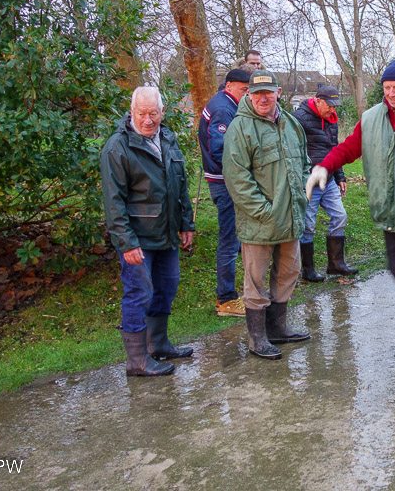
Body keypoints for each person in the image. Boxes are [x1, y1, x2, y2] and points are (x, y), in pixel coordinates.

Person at [306, 59, 395, 372]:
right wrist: (325, 166)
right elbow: (348, 148)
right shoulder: (371, 119)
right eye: (386, 88)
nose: (391, 93)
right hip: (391, 213)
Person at [100, 86, 195, 377]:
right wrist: (126, 243)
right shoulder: (117, 147)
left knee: (167, 286)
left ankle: (159, 344)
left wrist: (186, 222)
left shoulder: (167, 138)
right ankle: (137, 360)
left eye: (153, 113)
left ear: (162, 112)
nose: (148, 120)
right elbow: (113, 202)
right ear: (132, 112)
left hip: (166, 232)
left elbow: (180, 184)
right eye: (142, 113)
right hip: (137, 237)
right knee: (139, 292)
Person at [222, 69, 312, 360]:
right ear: (249, 95)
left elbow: (305, 161)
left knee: (288, 273)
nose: (263, 98)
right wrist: (264, 211)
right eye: (257, 93)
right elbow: (236, 178)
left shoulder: (290, 124)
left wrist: (303, 192)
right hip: (259, 222)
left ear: (278, 94)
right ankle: (257, 338)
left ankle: (277, 329)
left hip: (291, 217)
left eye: (268, 93)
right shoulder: (240, 128)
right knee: (256, 280)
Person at [291, 85, 358, 282]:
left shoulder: (332, 120)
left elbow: (334, 149)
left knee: (340, 216)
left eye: (335, 106)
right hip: (308, 181)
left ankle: (336, 265)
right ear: (318, 100)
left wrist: (340, 176)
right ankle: (307, 270)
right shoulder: (299, 119)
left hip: (328, 179)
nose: (333, 110)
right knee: (308, 225)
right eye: (329, 105)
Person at [198, 69, 251, 317]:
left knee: (236, 238)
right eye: (244, 90)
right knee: (230, 240)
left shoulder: (227, 103)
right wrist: (241, 172)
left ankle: (239, 291)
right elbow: (219, 149)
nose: (247, 94)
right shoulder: (223, 107)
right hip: (224, 181)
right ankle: (226, 299)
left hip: (226, 180)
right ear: (229, 86)